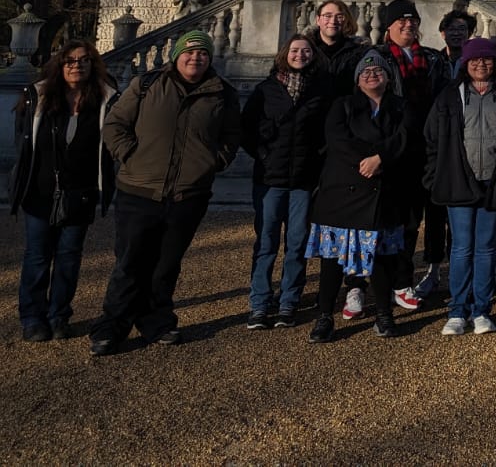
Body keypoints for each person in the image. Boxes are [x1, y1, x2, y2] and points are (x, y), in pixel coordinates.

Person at [89, 29, 241, 355]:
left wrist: (213, 162)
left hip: (188, 194)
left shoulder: (222, 93)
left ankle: (157, 322)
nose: (195, 58)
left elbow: (231, 135)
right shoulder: (146, 85)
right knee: (129, 264)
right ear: (176, 56)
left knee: (166, 264)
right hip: (139, 190)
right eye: (189, 52)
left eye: (202, 53)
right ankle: (111, 327)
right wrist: (130, 155)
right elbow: (115, 125)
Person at [423, 37, 496, 335]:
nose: (481, 64)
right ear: (465, 63)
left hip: (494, 182)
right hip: (459, 180)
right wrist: (433, 177)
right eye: (475, 60)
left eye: (486, 59)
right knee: (460, 248)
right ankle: (457, 309)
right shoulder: (450, 95)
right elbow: (431, 139)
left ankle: (481, 310)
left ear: (495, 63)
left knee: (486, 248)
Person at [11, 41, 117, 342]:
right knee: (37, 256)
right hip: (40, 190)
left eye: (83, 60)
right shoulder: (38, 97)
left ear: (92, 64)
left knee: (69, 257)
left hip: (80, 192)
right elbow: (23, 142)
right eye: (69, 61)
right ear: (60, 65)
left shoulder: (105, 99)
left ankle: (59, 315)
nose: (76, 66)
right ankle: (32, 318)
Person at [305, 51, 410, 343]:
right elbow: (336, 139)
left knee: (381, 259)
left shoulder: (401, 107)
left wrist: (381, 159)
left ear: (389, 78)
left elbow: (406, 138)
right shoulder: (344, 105)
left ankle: (384, 314)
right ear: (357, 81)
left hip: (382, 189)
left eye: (378, 71)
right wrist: (367, 160)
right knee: (331, 262)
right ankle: (324, 316)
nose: (372, 75)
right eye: (365, 73)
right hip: (344, 188)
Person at [241, 34, 335, 329]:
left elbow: (327, 133)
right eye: (295, 50)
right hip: (270, 178)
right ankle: (259, 302)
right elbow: (246, 129)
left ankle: (289, 300)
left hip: (304, 179)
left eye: (306, 51)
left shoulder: (321, 90)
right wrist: (264, 154)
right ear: (285, 54)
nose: (300, 55)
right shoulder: (267, 89)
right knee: (266, 241)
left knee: (297, 243)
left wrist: (317, 160)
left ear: (313, 56)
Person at [374, 0, 451, 312]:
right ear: (389, 27)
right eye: (401, 22)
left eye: (413, 21)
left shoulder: (432, 59)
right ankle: (389, 281)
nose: (408, 26)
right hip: (393, 150)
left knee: (422, 219)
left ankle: (416, 276)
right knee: (392, 221)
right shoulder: (376, 58)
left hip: (425, 150)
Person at [307, 0, 368, 90]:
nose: (333, 21)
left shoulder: (358, 52)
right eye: (327, 16)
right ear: (318, 20)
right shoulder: (305, 49)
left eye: (339, 16)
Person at [437, 10, 477, 76]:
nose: (456, 33)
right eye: (451, 29)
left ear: (469, 33)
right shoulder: (434, 62)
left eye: (461, 29)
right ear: (443, 34)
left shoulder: (476, 62)